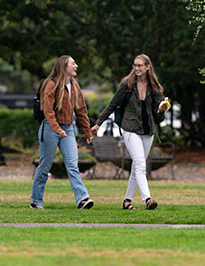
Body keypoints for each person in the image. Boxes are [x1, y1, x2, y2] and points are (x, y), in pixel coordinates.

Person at [91, 54, 170, 210]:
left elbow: (158, 117)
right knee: (140, 164)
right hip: (130, 128)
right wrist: (98, 123)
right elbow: (112, 104)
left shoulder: (155, 89)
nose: (137, 68)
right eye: (135, 65)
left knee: (136, 166)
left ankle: (127, 201)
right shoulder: (127, 85)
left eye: (140, 65)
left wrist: (161, 110)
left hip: (148, 131)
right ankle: (147, 199)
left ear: (148, 67)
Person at [30, 55, 94, 210]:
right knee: (45, 165)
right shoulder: (51, 84)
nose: (76, 66)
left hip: (68, 129)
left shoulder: (75, 86)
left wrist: (87, 131)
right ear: (64, 67)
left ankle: (82, 199)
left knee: (73, 165)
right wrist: (57, 130)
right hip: (51, 128)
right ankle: (36, 201)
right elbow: (48, 112)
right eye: (73, 63)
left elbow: (81, 111)